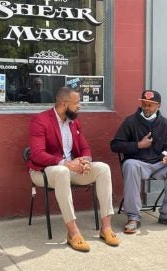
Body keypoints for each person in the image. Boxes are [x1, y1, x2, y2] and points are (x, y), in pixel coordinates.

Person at [28, 86, 120, 252]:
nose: (80, 106)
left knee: (103, 168)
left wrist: (85, 161)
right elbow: (37, 155)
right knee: (62, 171)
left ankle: (106, 227)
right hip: (43, 172)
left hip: (70, 170)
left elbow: (85, 148)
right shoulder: (40, 120)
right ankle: (73, 232)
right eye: (77, 103)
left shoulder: (74, 122)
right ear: (64, 104)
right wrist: (65, 163)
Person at [110, 90, 167, 234]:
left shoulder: (166, 124)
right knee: (130, 165)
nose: (146, 107)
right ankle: (133, 217)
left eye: (150, 105)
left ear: (158, 106)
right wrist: (138, 145)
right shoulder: (130, 121)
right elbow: (115, 145)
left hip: (159, 165)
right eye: (144, 104)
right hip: (138, 164)